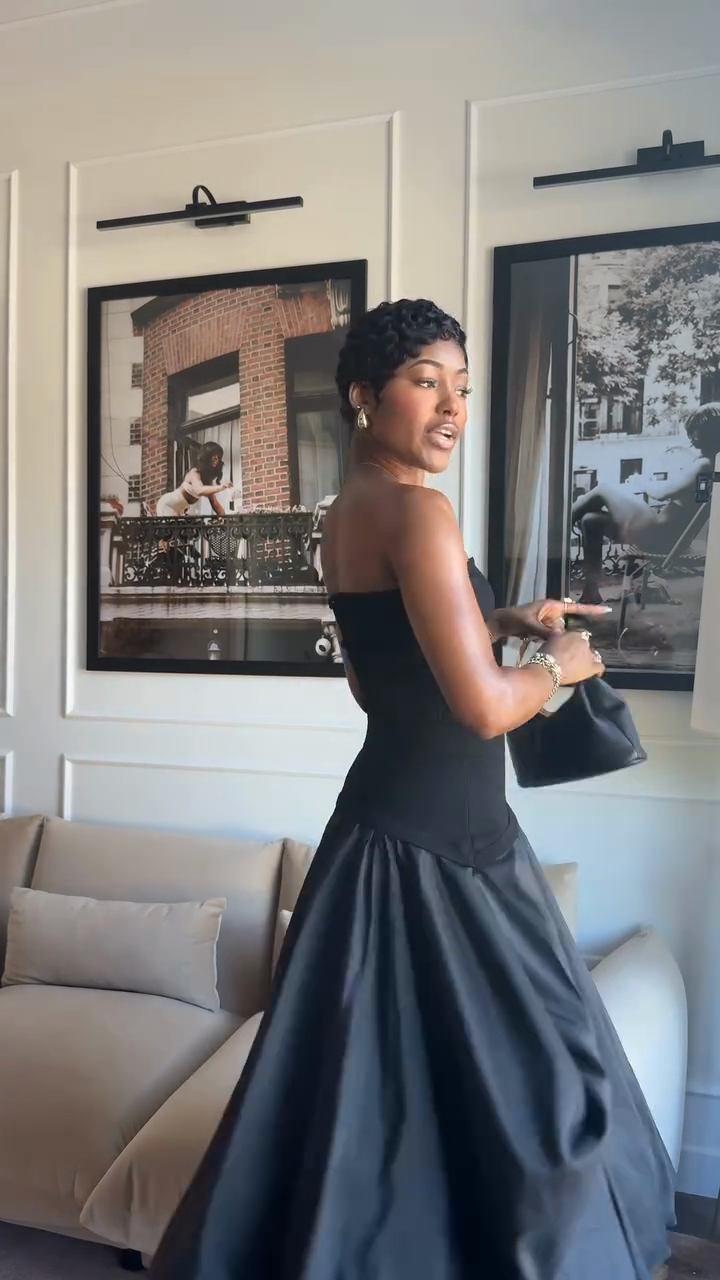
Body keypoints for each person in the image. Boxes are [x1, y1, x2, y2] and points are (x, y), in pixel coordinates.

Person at [150, 301, 674, 1280]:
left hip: (382, 833)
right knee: (546, 1101)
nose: (451, 407)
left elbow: (375, 678)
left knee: (373, 1118)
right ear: (365, 395)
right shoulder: (420, 512)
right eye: (426, 382)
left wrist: (496, 619)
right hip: (450, 848)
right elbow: (481, 708)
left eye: (461, 388)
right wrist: (557, 663)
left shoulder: (346, 511)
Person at [572, 402, 720, 604]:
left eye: (696, 431)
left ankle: (555, 529)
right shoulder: (711, 464)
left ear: (709, 433)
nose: (692, 437)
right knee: (591, 521)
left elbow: (660, 493)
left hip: (657, 533)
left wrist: (639, 479)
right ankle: (591, 592)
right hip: (668, 536)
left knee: (603, 489)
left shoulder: (704, 465)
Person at [155, 442, 234, 518]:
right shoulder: (194, 472)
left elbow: (215, 504)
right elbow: (199, 490)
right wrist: (221, 487)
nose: (216, 458)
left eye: (218, 456)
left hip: (179, 510)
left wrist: (226, 520)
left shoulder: (207, 480)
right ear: (207, 456)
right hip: (168, 504)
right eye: (213, 455)